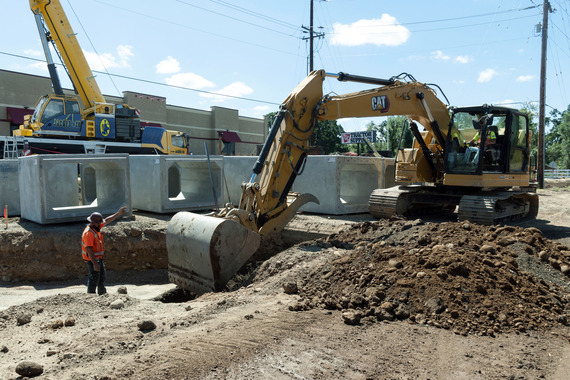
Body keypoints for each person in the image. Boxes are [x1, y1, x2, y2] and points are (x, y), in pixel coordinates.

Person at [81, 206, 127, 295]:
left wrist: (118, 213)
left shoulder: (96, 227)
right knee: (94, 278)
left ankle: (102, 295)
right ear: (93, 223)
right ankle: (90, 297)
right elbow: (89, 249)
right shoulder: (89, 233)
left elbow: (106, 220)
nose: (101, 224)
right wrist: (95, 264)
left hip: (98, 258)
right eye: (99, 223)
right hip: (92, 260)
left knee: (101, 277)